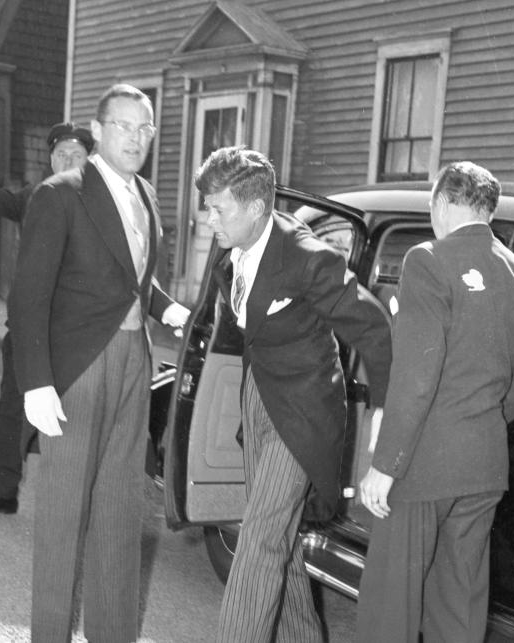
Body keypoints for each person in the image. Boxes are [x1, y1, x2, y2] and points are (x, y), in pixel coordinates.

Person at [8, 83, 189, 643]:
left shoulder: (146, 196)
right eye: (124, 126)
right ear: (99, 129)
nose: (136, 139)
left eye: (145, 129)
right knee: (63, 522)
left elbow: (129, 274)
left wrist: (169, 309)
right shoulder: (61, 194)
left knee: (118, 518)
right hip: (78, 371)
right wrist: (35, 383)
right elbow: (28, 295)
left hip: (135, 364)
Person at [195, 146, 392, 643]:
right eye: (208, 206)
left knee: (260, 539)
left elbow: (376, 331)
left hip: (304, 415)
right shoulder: (231, 244)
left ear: (257, 207)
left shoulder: (307, 258)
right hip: (259, 398)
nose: (208, 219)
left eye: (219, 208)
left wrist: (387, 412)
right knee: (277, 538)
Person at [356, 161, 514, 642]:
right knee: (458, 609)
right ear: (488, 211)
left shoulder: (428, 260)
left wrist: (385, 463)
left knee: (389, 610)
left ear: (440, 203)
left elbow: (415, 376)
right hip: (483, 466)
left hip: (421, 465)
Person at [0, 121, 94, 516]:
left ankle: (76, 502)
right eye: (61, 154)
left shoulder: (99, 201)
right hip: (30, 327)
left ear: (89, 159)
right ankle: (2, 492)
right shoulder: (36, 196)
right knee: (12, 407)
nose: (68, 160)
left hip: (76, 331)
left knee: (79, 413)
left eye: (77, 155)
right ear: (49, 159)